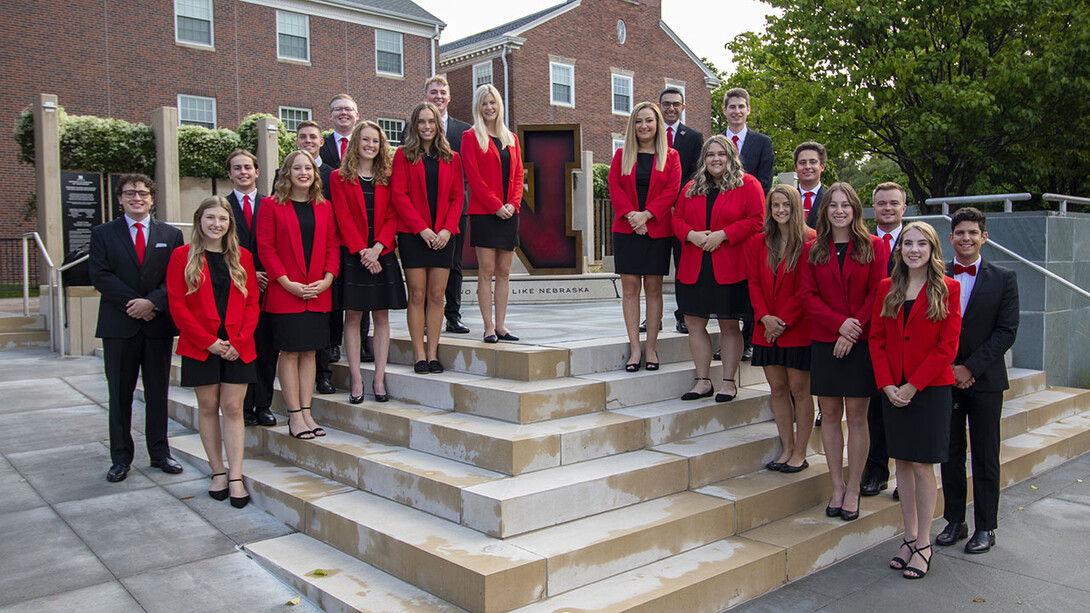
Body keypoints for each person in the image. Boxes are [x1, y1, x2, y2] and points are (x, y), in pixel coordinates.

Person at [870, 221, 961, 579]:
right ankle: (908, 536)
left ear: (933, 250)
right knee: (902, 465)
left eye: (921, 244)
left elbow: (947, 347)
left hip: (930, 391)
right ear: (900, 249)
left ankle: (924, 543)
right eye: (908, 243)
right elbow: (876, 340)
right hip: (893, 391)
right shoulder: (887, 288)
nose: (913, 249)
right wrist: (888, 384)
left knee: (923, 466)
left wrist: (913, 385)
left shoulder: (948, 289)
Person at [800, 182, 888, 522]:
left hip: (861, 342)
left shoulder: (874, 246)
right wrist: (839, 325)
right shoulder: (814, 249)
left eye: (845, 205)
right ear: (825, 211)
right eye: (833, 205)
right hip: (825, 340)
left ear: (855, 210)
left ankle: (854, 488)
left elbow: (878, 293)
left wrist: (853, 331)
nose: (839, 210)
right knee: (831, 415)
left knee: (857, 416)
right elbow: (809, 296)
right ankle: (836, 486)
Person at [89, 174, 185, 482]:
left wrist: (152, 304)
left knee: (158, 392)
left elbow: (176, 277)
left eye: (143, 193)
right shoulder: (103, 233)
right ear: (120, 199)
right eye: (130, 193)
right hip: (120, 325)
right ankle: (120, 458)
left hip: (157, 325)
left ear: (152, 198)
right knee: (120, 394)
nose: (137, 197)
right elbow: (100, 275)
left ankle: (160, 453)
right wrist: (135, 304)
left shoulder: (169, 235)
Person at [167, 197, 261, 508]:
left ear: (229, 224)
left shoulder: (243, 257)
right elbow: (177, 305)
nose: (216, 224)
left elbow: (252, 304)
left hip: (237, 345)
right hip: (200, 344)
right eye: (210, 218)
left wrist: (239, 340)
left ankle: (235, 475)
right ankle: (217, 472)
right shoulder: (182, 257)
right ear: (199, 221)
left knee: (233, 409)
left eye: (222, 219)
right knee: (207, 407)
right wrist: (207, 341)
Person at [937, 207, 1019, 554]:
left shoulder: (1004, 278)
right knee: (950, 453)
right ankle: (955, 519)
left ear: (984, 237)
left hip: (985, 381)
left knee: (985, 455)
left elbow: (1006, 332)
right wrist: (951, 368)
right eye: (960, 233)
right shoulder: (936, 274)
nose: (966, 238)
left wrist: (970, 368)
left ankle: (986, 526)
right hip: (945, 377)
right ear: (951, 237)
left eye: (973, 233)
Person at [257, 150, 340, 440]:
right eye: (297, 168)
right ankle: (294, 415)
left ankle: (307, 411)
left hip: (318, 292)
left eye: (308, 168)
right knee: (290, 352)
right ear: (287, 173)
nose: (303, 172)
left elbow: (332, 246)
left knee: (310, 353)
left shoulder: (324, 207)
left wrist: (328, 279)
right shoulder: (271, 205)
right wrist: (287, 283)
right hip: (285, 292)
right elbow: (265, 248)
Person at [673, 134, 763, 400]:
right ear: (704, 159)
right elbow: (676, 218)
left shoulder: (748, 184)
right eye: (710, 155)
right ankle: (702, 381)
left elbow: (757, 219)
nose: (716, 159)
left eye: (721, 154)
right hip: (695, 265)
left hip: (731, 266)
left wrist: (723, 234)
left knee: (728, 323)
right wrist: (691, 235)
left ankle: (728, 382)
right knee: (694, 322)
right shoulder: (691, 187)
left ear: (731, 156)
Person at [330, 121, 407, 403]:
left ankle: (378, 377)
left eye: (375, 141)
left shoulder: (388, 176)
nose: (370, 145)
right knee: (352, 317)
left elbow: (393, 215)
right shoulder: (339, 177)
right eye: (365, 140)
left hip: (382, 253)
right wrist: (363, 251)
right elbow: (343, 217)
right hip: (354, 255)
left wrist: (377, 249)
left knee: (382, 317)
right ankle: (356, 379)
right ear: (356, 143)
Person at [746, 185, 816, 472]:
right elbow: (753, 283)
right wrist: (764, 318)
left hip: (797, 328)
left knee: (800, 390)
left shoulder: (811, 241)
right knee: (777, 389)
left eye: (786, 205)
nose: (781, 210)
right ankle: (786, 447)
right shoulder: (758, 242)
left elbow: (807, 289)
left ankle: (801, 450)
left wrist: (783, 320)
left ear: (795, 207)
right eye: (775, 205)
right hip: (765, 327)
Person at [391, 101, 464, 374]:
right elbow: (399, 195)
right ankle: (418, 354)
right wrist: (422, 229)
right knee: (417, 295)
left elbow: (458, 196)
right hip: (414, 235)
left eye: (431, 121)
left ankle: (433, 354)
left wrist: (446, 229)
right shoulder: (403, 156)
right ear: (414, 125)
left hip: (444, 237)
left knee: (436, 295)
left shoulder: (451, 158)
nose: (426, 126)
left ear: (438, 125)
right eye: (421, 122)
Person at [609, 101, 682, 372]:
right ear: (633, 125)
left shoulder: (671, 156)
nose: (644, 126)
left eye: (649, 121)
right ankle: (635, 349)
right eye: (639, 121)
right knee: (629, 290)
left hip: (657, 229)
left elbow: (672, 190)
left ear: (657, 124)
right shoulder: (621, 155)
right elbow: (615, 187)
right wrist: (632, 216)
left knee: (653, 289)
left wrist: (647, 215)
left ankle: (651, 348)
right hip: (627, 229)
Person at [406, 76, 473, 334]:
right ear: (426, 96)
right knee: (423, 274)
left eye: (442, 92)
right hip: (421, 215)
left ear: (449, 96)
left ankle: (453, 315)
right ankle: (423, 318)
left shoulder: (464, 130)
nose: (438, 96)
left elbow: (463, 171)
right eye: (433, 92)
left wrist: (449, 221)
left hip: (455, 211)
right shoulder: (410, 129)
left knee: (454, 265)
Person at [461, 84, 524, 343]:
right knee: (486, 270)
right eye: (485, 103)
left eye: (493, 103)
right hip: (485, 213)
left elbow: (519, 174)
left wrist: (512, 203)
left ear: (499, 105)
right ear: (478, 107)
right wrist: (495, 205)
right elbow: (473, 177)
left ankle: (501, 325)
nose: (489, 107)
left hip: (509, 212)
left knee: (505, 271)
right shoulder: (470, 137)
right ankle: (487, 327)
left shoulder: (511, 138)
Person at [861, 182, 909, 494]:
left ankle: (905, 475)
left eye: (893, 203)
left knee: (904, 408)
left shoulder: (917, 241)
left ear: (904, 208)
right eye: (881, 204)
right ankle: (876, 470)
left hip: (906, 338)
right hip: (871, 335)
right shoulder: (862, 240)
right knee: (874, 411)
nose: (887, 208)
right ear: (873, 208)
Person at [224, 150, 276, 428]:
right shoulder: (221, 207)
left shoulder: (272, 203)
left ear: (257, 172)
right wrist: (248, 273)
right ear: (230, 173)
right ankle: (243, 406)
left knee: (267, 351)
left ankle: (263, 405)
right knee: (243, 349)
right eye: (237, 168)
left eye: (248, 167)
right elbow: (218, 248)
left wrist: (268, 273)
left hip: (270, 287)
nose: (243, 172)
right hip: (237, 288)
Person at [719, 87, 771, 361]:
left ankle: (749, 339)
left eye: (741, 106)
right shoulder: (715, 143)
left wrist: (743, 209)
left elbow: (764, 183)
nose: (737, 111)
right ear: (725, 111)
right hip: (721, 224)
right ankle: (727, 339)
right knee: (725, 284)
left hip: (751, 223)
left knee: (750, 280)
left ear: (748, 110)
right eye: (732, 107)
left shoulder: (761, 142)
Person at [288, 120, 338, 395]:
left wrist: (328, 276)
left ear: (322, 142)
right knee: (293, 345)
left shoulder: (332, 175)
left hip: (321, 274)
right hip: (290, 277)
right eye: (302, 136)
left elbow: (333, 235)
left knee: (321, 332)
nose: (303, 172)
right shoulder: (278, 195)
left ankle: (323, 375)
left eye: (313, 137)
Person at [317, 94, 359, 368]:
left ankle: (362, 341)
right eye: (337, 110)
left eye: (348, 110)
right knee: (333, 289)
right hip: (331, 225)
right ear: (330, 115)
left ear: (356, 114)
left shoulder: (367, 140)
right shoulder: (320, 145)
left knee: (360, 290)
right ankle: (333, 342)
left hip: (361, 225)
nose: (343, 114)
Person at [660, 87, 704, 335]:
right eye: (666, 104)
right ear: (660, 107)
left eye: (676, 104)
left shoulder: (694, 137)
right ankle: (650, 317)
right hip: (654, 214)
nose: (671, 108)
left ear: (683, 107)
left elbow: (695, 174)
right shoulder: (650, 134)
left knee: (681, 266)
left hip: (680, 210)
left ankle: (682, 315)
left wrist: (675, 200)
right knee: (652, 270)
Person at [795, 141, 828, 228]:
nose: (807, 167)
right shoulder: (788, 199)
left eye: (813, 162)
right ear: (796, 168)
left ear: (822, 167)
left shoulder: (830, 198)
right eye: (802, 163)